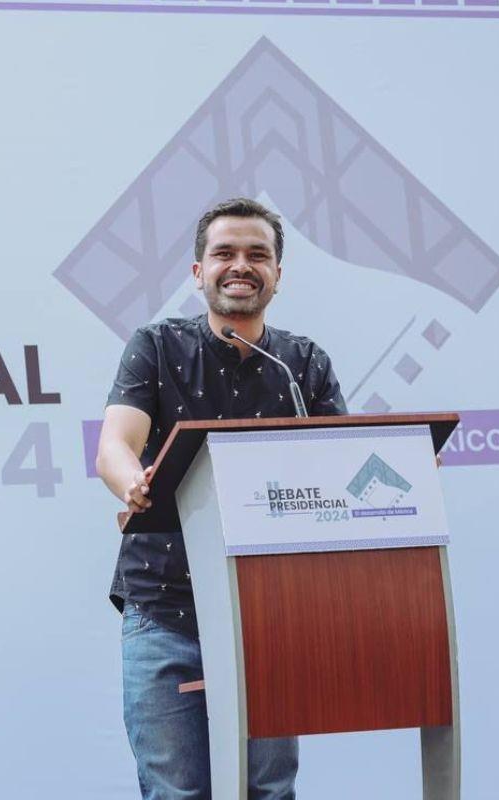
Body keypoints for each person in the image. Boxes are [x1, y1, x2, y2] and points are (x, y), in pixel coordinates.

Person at [94, 197, 347, 800]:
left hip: (271, 613)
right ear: (197, 272)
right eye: (224, 253)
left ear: (277, 275)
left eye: (257, 254)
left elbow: (343, 465)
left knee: (269, 792)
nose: (241, 265)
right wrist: (132, 481)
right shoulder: (156, 347)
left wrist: (404, 466)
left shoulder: (301, 364)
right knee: (176, 792)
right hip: (165, 608)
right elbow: (114, 445)